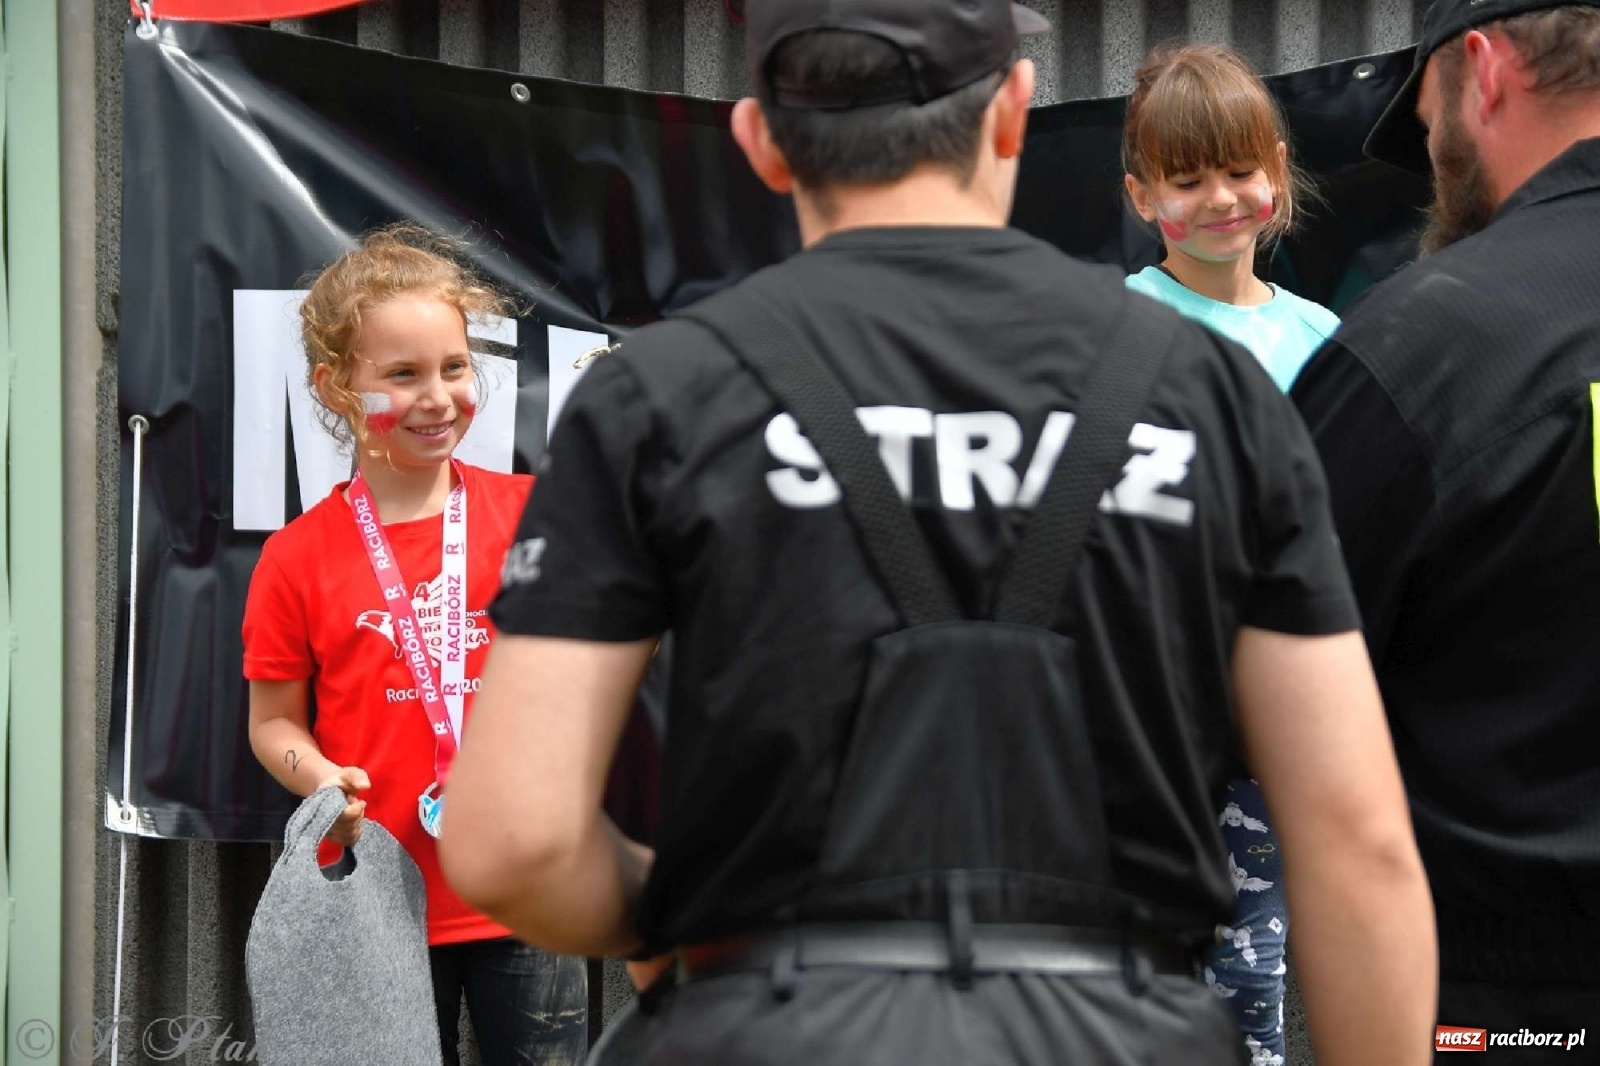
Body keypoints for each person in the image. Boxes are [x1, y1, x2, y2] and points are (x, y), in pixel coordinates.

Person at [442, 3, 1436, 1064]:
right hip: (1123, 1029)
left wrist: (691, 920)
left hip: (763, 1025)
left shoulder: (653, 396)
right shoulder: (1213, 393)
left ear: (760, 143)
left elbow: (513, 842)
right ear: (1012, 111)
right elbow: (1358, 849)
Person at [1291, 0, 1600, 1057]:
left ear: (1483, 68)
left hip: (1511, 1005)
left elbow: (1258, 710)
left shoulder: (1423, 345)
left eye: (1427, 122)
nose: (1432, 157)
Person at [241, 225, 587, 1066]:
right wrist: (320, 779)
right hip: (374, 901)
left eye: (454, 367)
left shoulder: (537, 514)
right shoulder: (297, 556)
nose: (438, 398)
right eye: (403, 374)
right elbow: (272, 724)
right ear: (338, 388)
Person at [1120, 42, 1340, 1064]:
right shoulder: (1109, 330)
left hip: (1271, 733)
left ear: (1279, 172)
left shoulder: (1327, 342)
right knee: (1130, 973)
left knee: (1254, 977)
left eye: (1241, 169)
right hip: (1139, 726)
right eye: (1187, 176)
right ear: (1139, 194)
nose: (1222, 197)